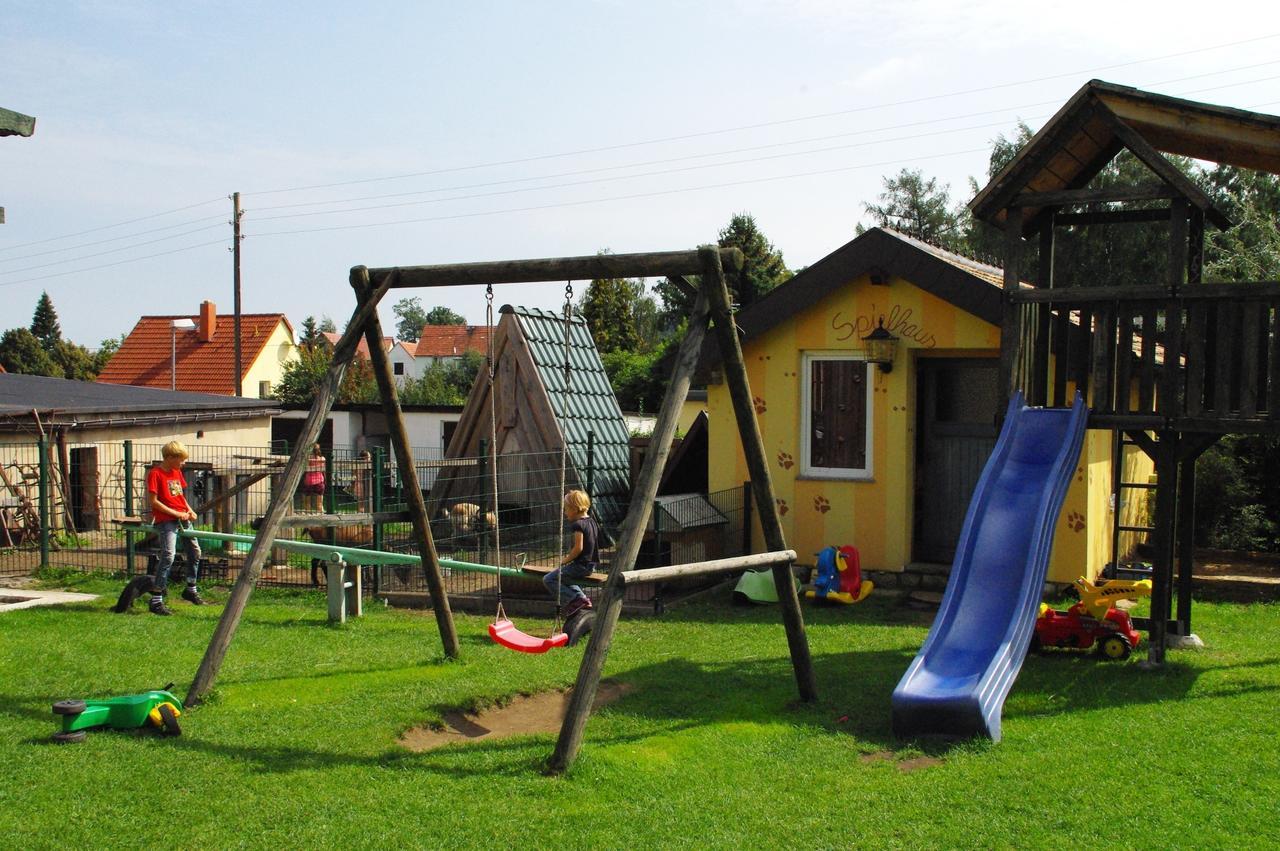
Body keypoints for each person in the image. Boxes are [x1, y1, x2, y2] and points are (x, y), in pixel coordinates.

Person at [146, 440, 208, 614]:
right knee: (168, 555)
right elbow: (154, 502)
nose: (183, 463)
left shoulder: (176, 472)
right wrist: (175, 514)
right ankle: (156, 598)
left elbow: (180, 496)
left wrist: (189, 510)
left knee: (195, 552)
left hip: (183, 517)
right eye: (181, 459)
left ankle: (190, 588)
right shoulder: (156, 474)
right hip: (166, 520)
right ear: (170, 457)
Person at [543, 490, 598, 620]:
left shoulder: (578, 525)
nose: (565, 512)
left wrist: (565, 561)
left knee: (548, 579)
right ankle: (583, 599)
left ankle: (574, 599)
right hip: (591, 565)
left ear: (574, 508)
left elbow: (578, 548)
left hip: (580, 566)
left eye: (566, 509)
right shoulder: (592, 522)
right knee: (565, 579)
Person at [302, 443, 326, 513]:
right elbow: (323, 470)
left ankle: (308, 512)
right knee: (320, 501)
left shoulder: (308, 459)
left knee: (307, 500)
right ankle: (320, 512)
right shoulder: (322, 459)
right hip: (319, 480)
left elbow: (304, 469)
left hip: (309, 481)